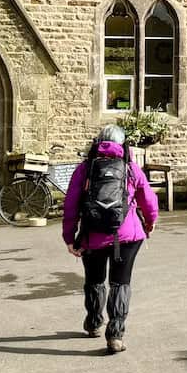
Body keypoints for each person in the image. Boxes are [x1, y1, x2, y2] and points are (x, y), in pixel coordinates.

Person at [62, 125, 158, 355]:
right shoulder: (131, 168)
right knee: (120, 283)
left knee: (94, 279)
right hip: (127, 236)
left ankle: (94, 322)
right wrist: (149, 222)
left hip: (92, 234)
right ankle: (115, 335)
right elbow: (149, 201)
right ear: (123, 144)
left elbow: (71, 205)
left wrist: (69, 237)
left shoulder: (84, 169)